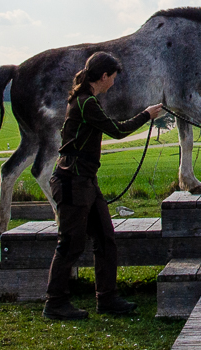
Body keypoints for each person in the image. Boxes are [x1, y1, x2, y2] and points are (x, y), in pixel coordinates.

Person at [44, 51, 163, 320]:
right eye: (114, 77)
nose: (115, 83)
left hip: (84, 181)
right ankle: (55, 303)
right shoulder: (86, 103)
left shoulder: (85, 100)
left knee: (106, 240)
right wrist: (146, 115)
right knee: (70, 245)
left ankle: (107, 299)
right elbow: (118, 131)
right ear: (104, 75)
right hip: (73, 181)